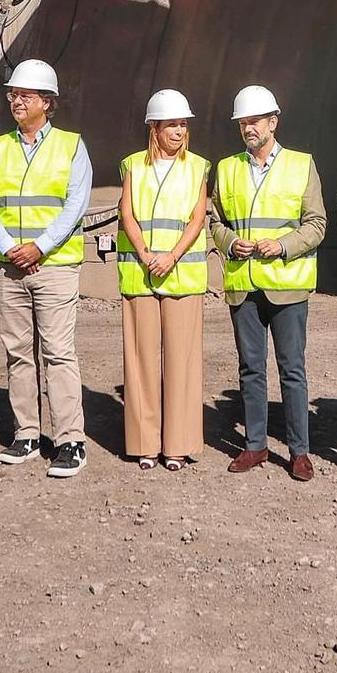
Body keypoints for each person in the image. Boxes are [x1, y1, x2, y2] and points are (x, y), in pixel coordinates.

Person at [0, 59, 92, 478]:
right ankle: (26, 432)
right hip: (8, 268)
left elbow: (75, 204)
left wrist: (40, 246)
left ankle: (70, 440)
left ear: (47, 102)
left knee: (59, 353)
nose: (15, 101)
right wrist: (8, 246)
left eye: (24, 95)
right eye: (12, 94)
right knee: (18, 354)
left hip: (54, 266)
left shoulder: (71, 146)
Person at [210, 85, 327, 481]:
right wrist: (230, 242)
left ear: (273, 122)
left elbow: (317, 224)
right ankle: (255, 446)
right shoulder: (226, 169)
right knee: (250, 368)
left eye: (255, 121)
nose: (248, 128)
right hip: (244, 283)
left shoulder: (300, 164)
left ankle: (299, 451)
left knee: (292, 368)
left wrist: (281, 245)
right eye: (243, 122)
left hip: (287, 283)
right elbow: (215, 222)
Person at [117, 89, 212, 471]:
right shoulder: (132, 165)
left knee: (182, 360)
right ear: (153, 128)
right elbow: (127, 214)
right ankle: (145, 444)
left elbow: (197, 217)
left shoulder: (198, 166)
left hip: (182, 274)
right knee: (141, 361)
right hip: (141, 273)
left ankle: (178, 443)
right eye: (172, 124)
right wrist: (145, 255)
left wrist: (171, 256)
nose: (179, 131)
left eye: (183, 124)